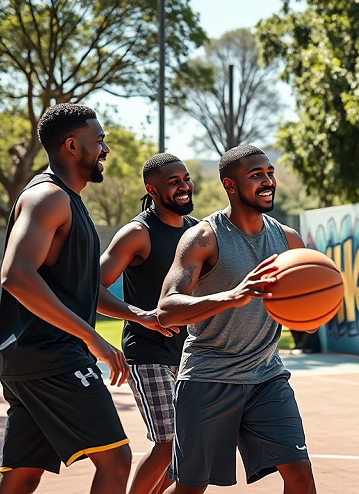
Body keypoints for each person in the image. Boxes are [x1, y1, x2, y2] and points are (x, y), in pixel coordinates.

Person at [156, 144, 317, 494]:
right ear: (230, 185)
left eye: (269, 173)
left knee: (301, 474)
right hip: (208, 377)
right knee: (190, 487)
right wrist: (232, 296)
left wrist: (309, 315)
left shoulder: (287, 239)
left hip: (267, 377)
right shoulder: (203, 237)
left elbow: (307, 320)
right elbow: (167, 308)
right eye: (255, 175)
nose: (267, 181)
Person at [0, 103, 132, 494]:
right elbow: (15, 274)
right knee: (116, 461)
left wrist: (142, 316)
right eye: (99, 140)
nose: (105, 148)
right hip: (51, 355)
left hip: (34, 358)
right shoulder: (48, 198)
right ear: (72, 145)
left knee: (22, 474)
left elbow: (79, 290)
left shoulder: (69, 200)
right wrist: (91, 337)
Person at [98, 153, 198, 494]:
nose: (184, 186)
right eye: (174, 182)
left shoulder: (198, 233)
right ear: (151, 190)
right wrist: (143, 316)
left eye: (185, 178)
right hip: (148, 351)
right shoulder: (137, 234)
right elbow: (91, 291)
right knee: (169, 442)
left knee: (188, 452)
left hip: (190, 354)